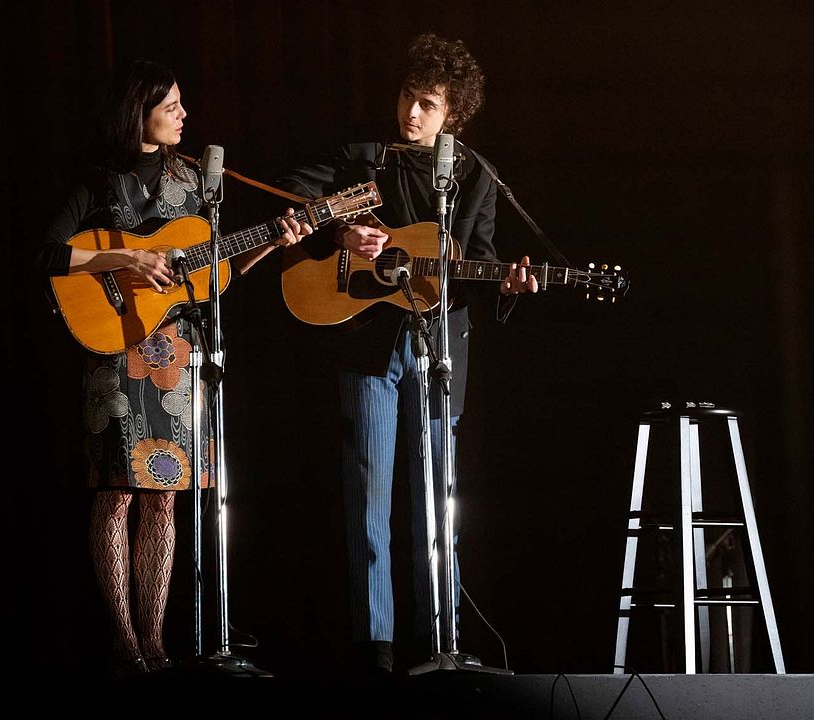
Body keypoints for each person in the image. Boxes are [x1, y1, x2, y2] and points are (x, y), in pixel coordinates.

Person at [272, 33, 538, 676]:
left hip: (438, 346)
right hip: (368, 341)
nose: (411, 113)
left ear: (454, 114)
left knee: (437, 502)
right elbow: (289, 197)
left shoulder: (476, 175)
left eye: (428, 104)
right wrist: (342, 232)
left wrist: (506, 284)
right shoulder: (364, 155)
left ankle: (439, 639)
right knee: (369, 499)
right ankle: (376, 647)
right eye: (406, 96)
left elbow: (477, 261)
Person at [36, 59, 312, 679]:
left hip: (177, 355)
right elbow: (49, 252)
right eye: (171, 107)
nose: (184, 115)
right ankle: (123, 642)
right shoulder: (98, 179)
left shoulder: (193, 182)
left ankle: (155, 643)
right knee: (116, 494)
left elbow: (217, 273)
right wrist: (126, 259)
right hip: (115, 351)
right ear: (140, 112)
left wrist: (272, 241)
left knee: (163, 497)